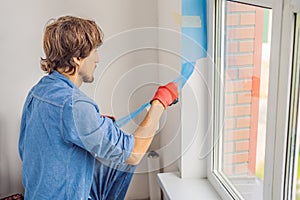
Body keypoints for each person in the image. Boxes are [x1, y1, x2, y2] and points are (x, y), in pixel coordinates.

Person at [18, 15, 178, 200]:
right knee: (128, 154)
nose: (97, 59)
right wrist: (160, 102)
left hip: (37, 194)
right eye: (94, 51)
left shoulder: (38, 91)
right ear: (77, 58)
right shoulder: (75, 106)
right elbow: (133, 154)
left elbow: (25, 149)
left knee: (117, 156)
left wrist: (92, 125)